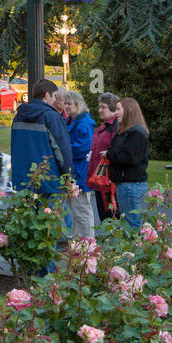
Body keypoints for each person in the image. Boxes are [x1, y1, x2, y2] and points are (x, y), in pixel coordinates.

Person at [10, 78, 74, 199]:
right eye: (54, 96)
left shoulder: (19, 116)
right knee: (57, 216)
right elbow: (62, 150)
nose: (55, 100)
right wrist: (68, 176)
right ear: (47, 95)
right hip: (49, 180)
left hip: (23, 179)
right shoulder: (51, 116)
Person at [107, 97, 149, 229]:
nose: (115, 113)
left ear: (129, 110)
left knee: (131, 225)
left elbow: (131, 158)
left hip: (131, 184)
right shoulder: (126, 132)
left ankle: (135, 248)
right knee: (127, 223)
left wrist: (110, 154)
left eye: (119, 109)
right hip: (125, 183)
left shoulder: (137, 133)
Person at [62, 90, 96, 238]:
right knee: (74, 210)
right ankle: (78, 242)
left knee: (82, 210)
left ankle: (87, 243)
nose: (66, 107)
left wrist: (63, 147)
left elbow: (83, 149)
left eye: (69, 104)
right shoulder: (71, 121)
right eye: (65, 103)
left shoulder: (84, 124)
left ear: (77, 104)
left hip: (80, 172)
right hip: (72, 172)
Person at [87, 93, 120, 220]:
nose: (99, 110)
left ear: (113, 108)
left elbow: (115, 150)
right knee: (104, 216)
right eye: (99, 107)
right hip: (100, 178)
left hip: (109, 179)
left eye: (103, 107)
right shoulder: (104, 126)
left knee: (112, 216)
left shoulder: (115, 126)